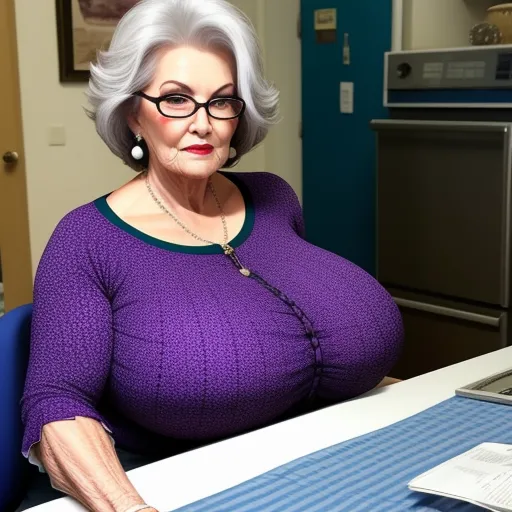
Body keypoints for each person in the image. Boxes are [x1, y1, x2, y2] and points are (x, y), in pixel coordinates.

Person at [18, 0, 404, 510]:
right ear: (133, 114)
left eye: (222, 101)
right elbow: (57, 406)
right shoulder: (87, 239)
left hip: (321, 464)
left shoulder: (274, 198)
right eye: (176, 99)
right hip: (170, 485)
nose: (203, 123)